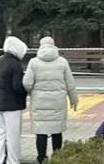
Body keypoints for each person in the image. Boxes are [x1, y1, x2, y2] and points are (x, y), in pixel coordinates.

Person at [23, 36, 80, 164]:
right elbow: (70, 83)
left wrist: (32, 93)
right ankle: (58, 157)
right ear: (54, 45)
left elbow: (26, 83)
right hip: (58, 102)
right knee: (57, 131)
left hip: (39, 102)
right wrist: (74, 100)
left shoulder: (33, 62)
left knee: (41, 132)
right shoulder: (62, 62)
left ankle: (41, 158)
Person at [0, 35, 28, 164]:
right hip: (13, 106)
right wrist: (25, 92)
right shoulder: (15, 64)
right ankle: (13, 161)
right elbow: (17, 87)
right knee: (13, 137)